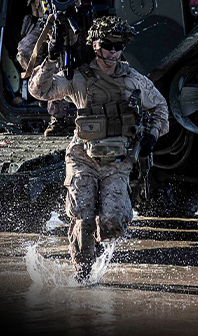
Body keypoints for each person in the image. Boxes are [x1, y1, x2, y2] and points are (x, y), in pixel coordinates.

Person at [28, 16, 169, 282]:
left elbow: (160, 107)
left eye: (119, 45)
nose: (114, 51)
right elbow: (39, 90)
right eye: (108, 45)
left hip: (118, 160)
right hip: (84, 157)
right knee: (82, 215)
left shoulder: (133, 79)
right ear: (95, 45)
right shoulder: (79, 77)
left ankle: (96, 248)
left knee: (112, 223)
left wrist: (152, 134)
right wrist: (51, 59)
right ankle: (83, 272)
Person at [16, 0, 85, 136]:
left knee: (61, 65)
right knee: (25, 52)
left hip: (67, 22)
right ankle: (44, 91)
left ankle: (59, 117)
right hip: (45, 21)